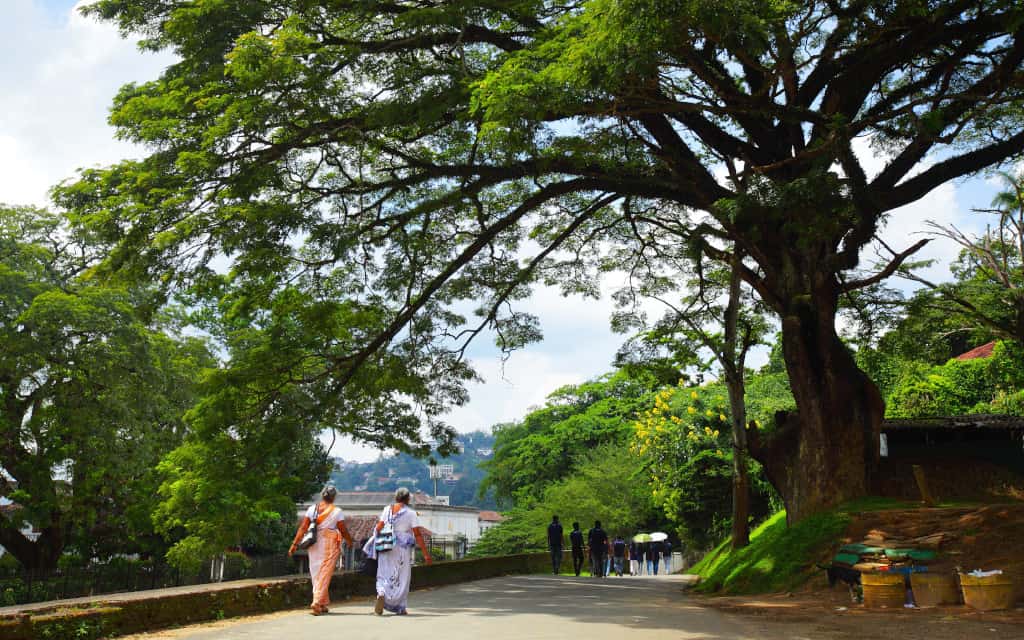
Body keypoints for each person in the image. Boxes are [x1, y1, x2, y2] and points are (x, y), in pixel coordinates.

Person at [365, 487, 432, 615]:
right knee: (402, 576)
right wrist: (425, 554)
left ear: (396, 497)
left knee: (383, 573)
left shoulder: (387, 510)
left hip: (386, 544)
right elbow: (417, 534)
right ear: (408, 499)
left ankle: (381, 593)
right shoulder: (411, 513)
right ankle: (400, 606)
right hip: (402, 548)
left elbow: (378, 527)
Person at [289, 485, 354, 616]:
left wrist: (294, 544)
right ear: (334, 497)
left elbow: (303, 528)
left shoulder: (312, 509)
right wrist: (349, 541)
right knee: (324, 573)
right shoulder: (337, 511)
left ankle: (323, 602)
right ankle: (317, 601)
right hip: (329, 544)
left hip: (313, 543)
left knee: (317, 572)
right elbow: (342, 529)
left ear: (322, 495)